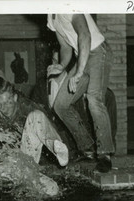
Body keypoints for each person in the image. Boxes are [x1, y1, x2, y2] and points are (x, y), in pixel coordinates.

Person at [47, 14, 114, 172]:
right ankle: (87, 149)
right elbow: (65, 47)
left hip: (98, 52)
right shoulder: (51, 18)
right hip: (82, 55)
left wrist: (79, 72)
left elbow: (85, 35)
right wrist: (62, 65)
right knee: (60, 105)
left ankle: (105, 154)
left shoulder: (68, 6)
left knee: (94, 100)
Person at [0, 80, 68, 167]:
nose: (4, 109)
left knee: (36, 115)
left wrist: (58, 145)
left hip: (35, 152)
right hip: (15, 158)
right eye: (0, 105)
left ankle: (56, 148)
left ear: (15, 98)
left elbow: (49, 126)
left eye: (7, 103)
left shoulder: (27, 107)